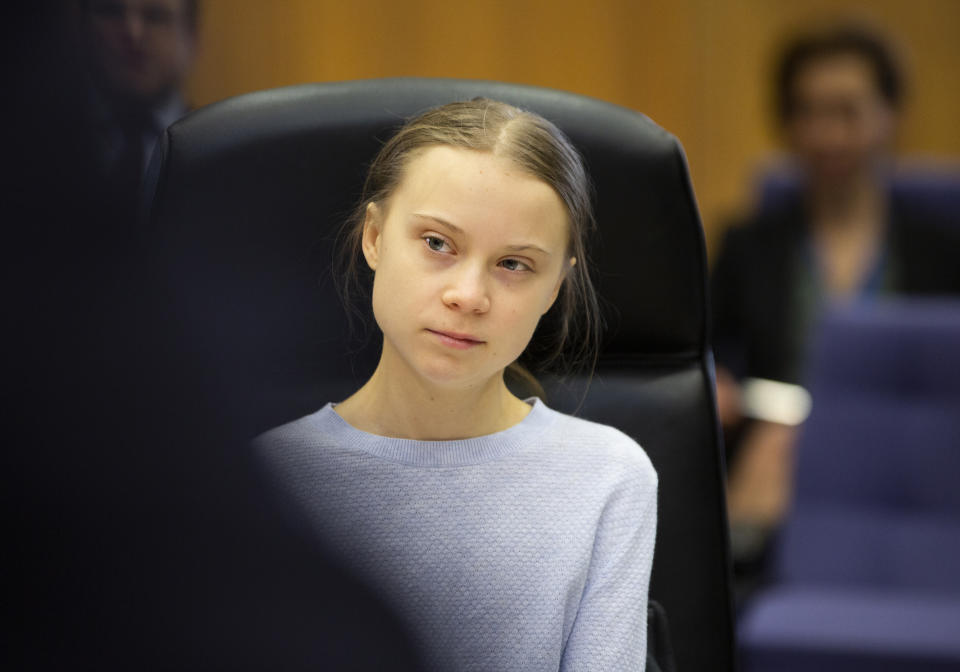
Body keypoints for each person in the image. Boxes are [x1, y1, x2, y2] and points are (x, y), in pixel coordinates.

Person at [254, 99, 659, 671]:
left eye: (514, 264)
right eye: (438, 244)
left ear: (553, 290)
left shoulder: (609, 478)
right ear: (374, 237)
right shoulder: (265, 479)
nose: (468, 296)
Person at [711, 22, 960, 603]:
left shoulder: (943, 250)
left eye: (847, 111)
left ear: (889, 115)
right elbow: (716, 354)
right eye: (808, 112)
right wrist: (717, 386)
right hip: (774, 460)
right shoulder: (749, 244)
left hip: (916, 469)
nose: (826, 134)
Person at [79, 0, 198, 218]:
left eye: (155, 16)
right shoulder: (33, 147)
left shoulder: (217, 157)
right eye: (111, 11)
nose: (133, 32)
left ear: (191, 36)